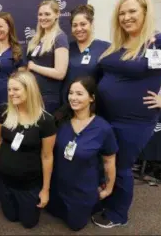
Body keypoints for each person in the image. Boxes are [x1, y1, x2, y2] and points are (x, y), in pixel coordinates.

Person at [92, 0, 161, 228]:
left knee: (120, 167)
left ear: (145, 13)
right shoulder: (119, 44)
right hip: (105, 117)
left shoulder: (159, 41)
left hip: (133, 121)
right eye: (122, 13)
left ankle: (118, 214)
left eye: (132, 11)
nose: (126, 17)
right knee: (105, 162)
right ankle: (104, 201)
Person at [46, 76, 117, 231]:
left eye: (79, 94)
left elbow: (109, 161)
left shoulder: (102, 128)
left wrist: (108, 188)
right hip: (57, 186)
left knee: (75, 225)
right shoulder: (60, 120)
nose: (73, 98)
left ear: (92, 98)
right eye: (71, 93)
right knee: (51, 213)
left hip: (81, 190)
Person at [0, 71, 56, 229]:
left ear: (29, 89)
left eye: (16, 89)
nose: (11, 94)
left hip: (28, 184)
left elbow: (47, 156)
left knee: (29, 223)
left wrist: (45, 190)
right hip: (4, 179)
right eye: (9, 89)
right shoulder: (5, 112)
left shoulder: (46, 121)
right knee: (10, 217)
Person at [27, 0, 69, 114]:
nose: (43, 17)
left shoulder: (60, 38)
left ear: (57, 15)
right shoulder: (38, 38)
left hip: (48, 98)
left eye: (47, 14)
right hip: (33, 94)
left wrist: (34, 67)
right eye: (40, 14)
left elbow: (60, 73)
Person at [61, 5, 110, 103]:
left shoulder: (106, 48)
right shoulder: (66, 48)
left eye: (83, 24)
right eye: (75, 25)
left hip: (94, 106)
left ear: (91, 24)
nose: (79, 29)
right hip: (67, 105)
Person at [0, 12, 25, 121]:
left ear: (9, 27)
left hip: (9, 101)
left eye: (0, 26)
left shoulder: (17, 51)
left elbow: (23, 80)